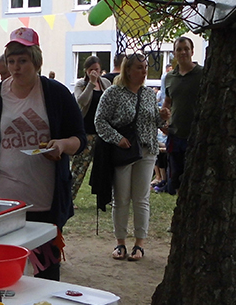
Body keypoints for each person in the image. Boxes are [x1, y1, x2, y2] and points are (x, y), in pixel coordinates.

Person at [0, 27, 86, 280]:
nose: (16, 68)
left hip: (45, 201)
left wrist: (61, 145)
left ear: (36, 62)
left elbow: (79, 139)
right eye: (11, 61)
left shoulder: (56, 93)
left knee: (46, 272)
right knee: (6, 271)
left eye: (22, 61)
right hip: (5, 202)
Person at [94, 54, 161, 261]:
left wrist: (163, 117)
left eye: (145, 67)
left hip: (146, 150)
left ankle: (139, 244)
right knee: (121, 198)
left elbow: (154, 120)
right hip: (123, 151)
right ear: (128, 70)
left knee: (141, 199)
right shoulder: (113, 93)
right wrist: (117, 139)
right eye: (139, 67)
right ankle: (120, 243)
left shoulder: (148, 94)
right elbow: (100, 121)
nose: (144, 72)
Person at [159, 36, 203, 195]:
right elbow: (167, 102)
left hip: (196, 136)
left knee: (195, 179)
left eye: (186, 49)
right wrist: (163, 121)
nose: (183, 52)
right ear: (174, 53)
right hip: (175, 135)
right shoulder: (170, 77)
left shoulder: (202, 74)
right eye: (179, 49)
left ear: (192, 51)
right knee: (175, 179)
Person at [70, 55, 112, 199]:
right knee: (79, 167)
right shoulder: (81, 84)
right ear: (86, 71)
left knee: (103, 167)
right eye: (91, 70)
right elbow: (81, 101)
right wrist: (91, 84)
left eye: (97, 70)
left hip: (102, 132)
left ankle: (105, 198)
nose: (94, 72)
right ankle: (69, 197)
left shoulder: (106, 83)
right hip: (86, 131)